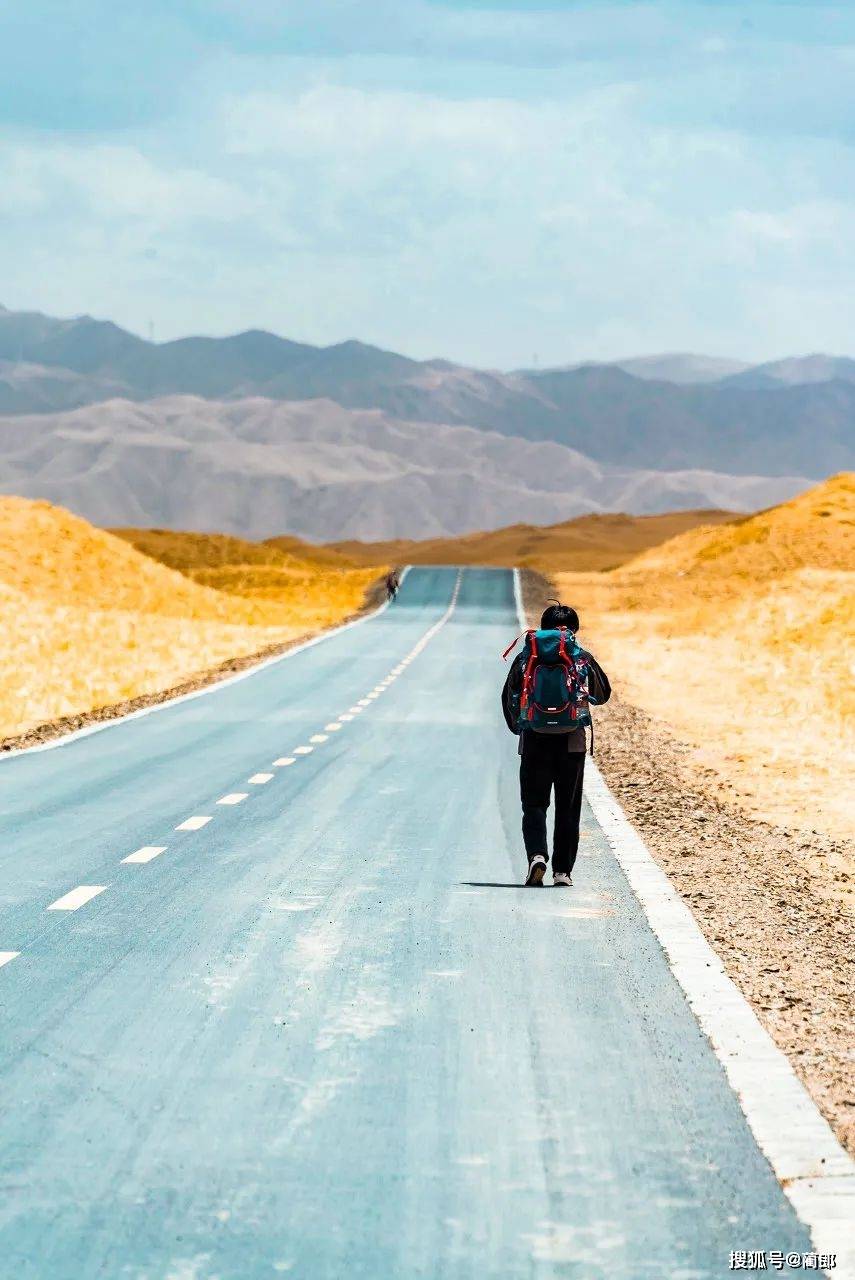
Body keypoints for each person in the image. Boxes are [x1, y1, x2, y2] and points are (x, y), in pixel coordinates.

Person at [501, 602, 610, 887]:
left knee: (534, 804)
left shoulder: (528, 656)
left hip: (534, 741)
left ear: (543, 627)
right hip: (571, 744)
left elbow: (509, 695)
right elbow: (603, 693)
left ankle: (537, 856)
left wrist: (520, 727)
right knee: (568, 808)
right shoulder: (580, 656)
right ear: (574, 630)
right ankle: (562, 872)